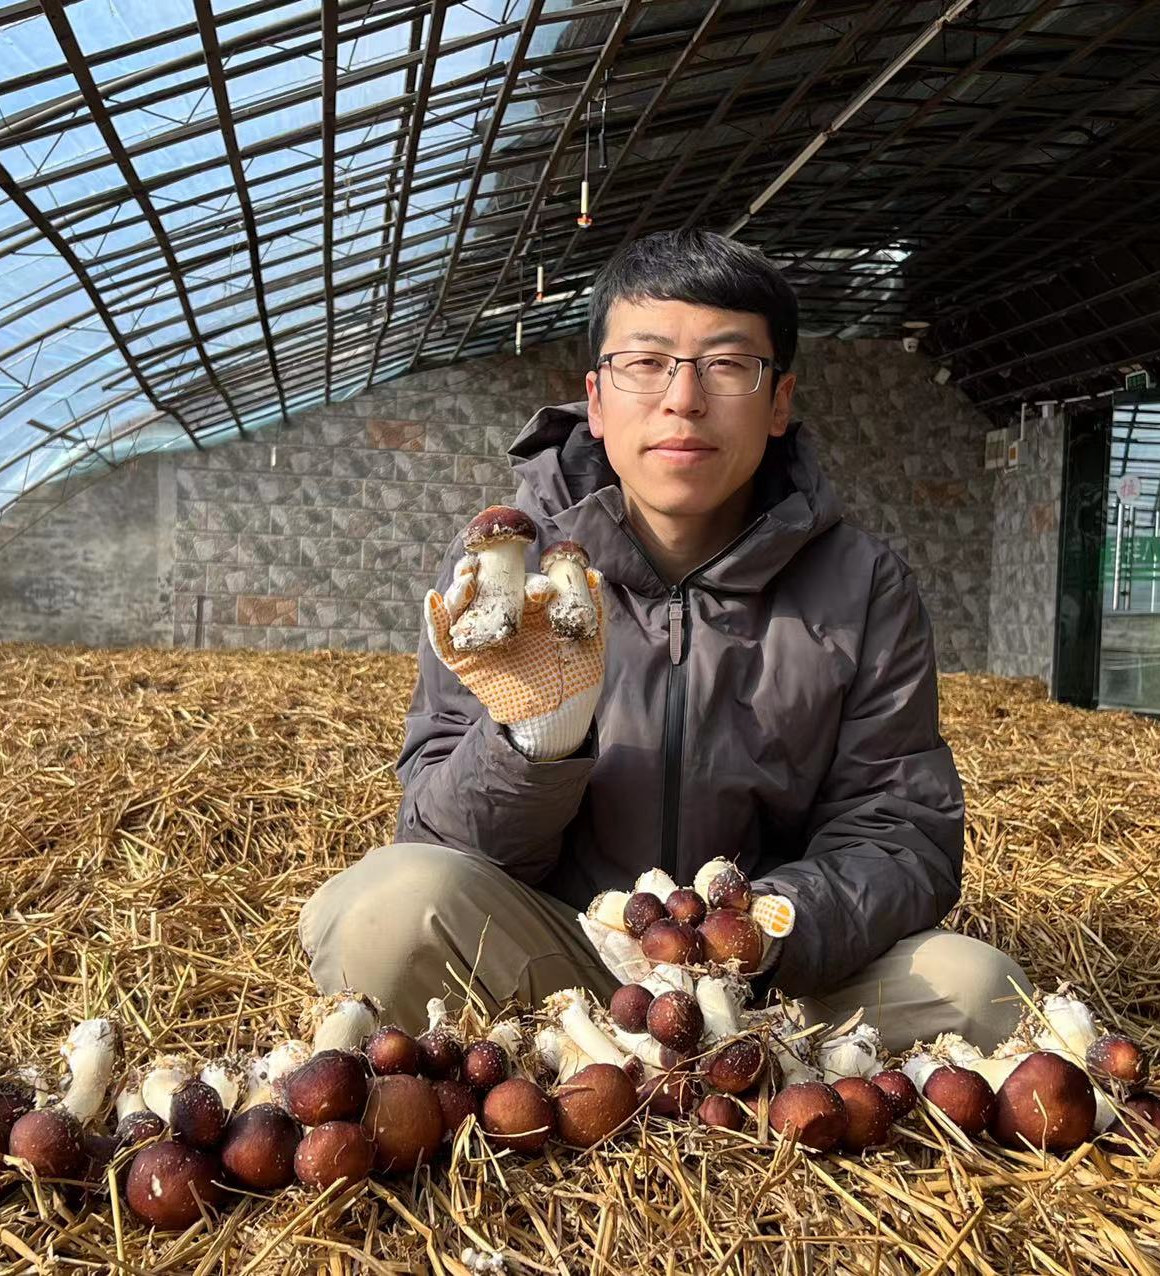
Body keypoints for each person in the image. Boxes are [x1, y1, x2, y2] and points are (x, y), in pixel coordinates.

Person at [300, 229, 1029, 1052]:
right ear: (597, 399)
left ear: (779, 401)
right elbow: (436, 839)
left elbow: (897, 828)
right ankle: (580, 1054)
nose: (683, 398)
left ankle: (724, 1059)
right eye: (646, 363)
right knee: (387, 909)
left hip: (774, 981)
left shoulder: (862, 586)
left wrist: (762, 928)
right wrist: (537, 739)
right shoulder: (508, 571)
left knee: (978, 990)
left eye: (727, 365)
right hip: (562, 958)